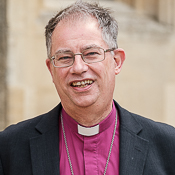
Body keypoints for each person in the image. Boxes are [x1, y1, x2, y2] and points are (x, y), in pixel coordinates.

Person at [0, 1, 175, 175]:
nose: (78, 68)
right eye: (64, 57)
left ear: (116, 61)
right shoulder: (9, 147)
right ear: (51, 69)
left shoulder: (168, 146)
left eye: (91, 54)